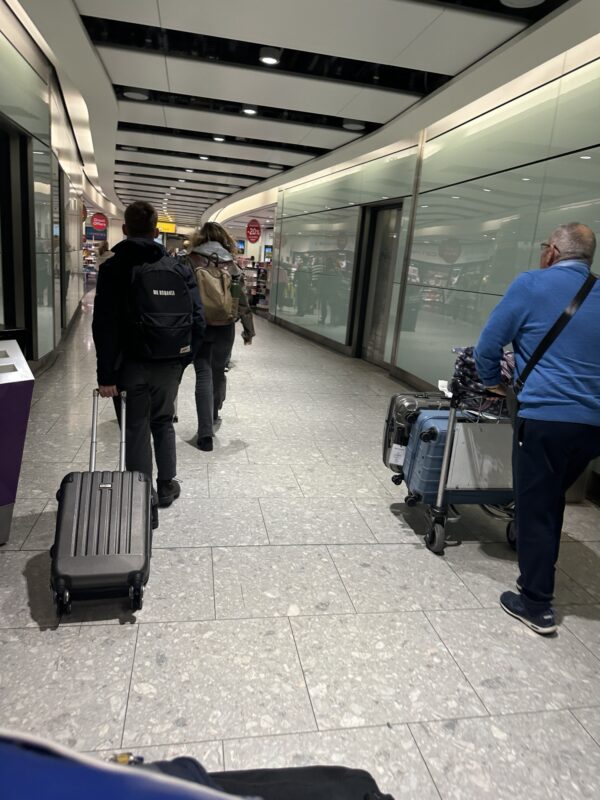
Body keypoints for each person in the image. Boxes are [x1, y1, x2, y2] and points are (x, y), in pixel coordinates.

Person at [474, 222, 600, 635]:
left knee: (537, 506)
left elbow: (488, 346)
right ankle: (537, 558)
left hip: (545, 417)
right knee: (552, 495)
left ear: (552, 252)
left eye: (545, 247)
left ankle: (535, 603)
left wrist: (492, 379)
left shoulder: (530, 284)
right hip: (592, 427)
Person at [92, 201, 205, 524]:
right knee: (163, 420)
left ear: (125, 230)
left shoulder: (114, 269)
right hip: (170, 362)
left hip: (130, 365)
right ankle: (166, 484)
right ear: (157, 232)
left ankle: (143, 500)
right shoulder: (179, 268)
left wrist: (106, 374)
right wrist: (185, 359)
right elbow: (198, 320)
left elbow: (104, 325)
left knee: (136, 428)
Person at [184, 222, 255, 451]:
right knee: (219, 370)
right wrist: (248, 329)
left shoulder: (191, 260)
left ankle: (205, 432)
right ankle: (214, 411)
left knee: (203, 373)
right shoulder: (231, 264)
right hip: (225, 326)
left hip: (199, 325)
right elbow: (240, 300)